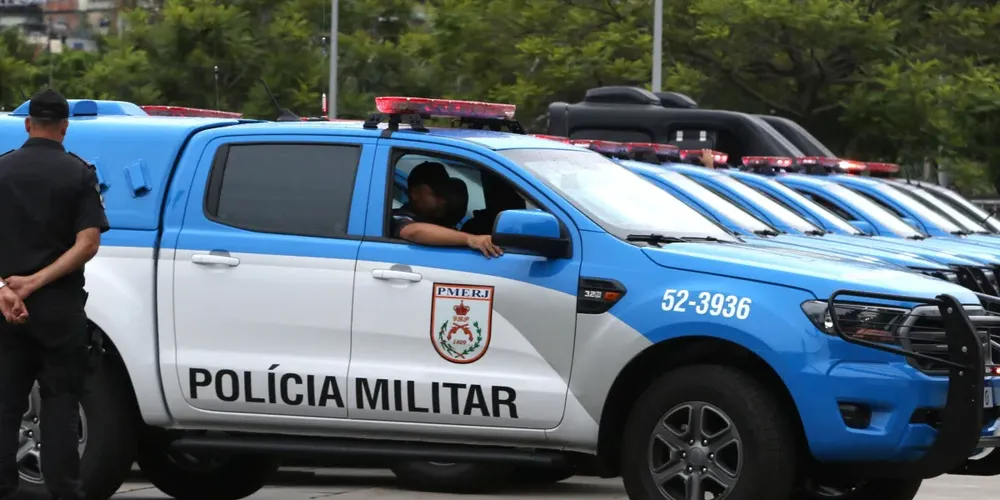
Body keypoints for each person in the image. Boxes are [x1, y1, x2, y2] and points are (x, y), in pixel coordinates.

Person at [0, 89, 110, 500]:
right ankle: (64, 492)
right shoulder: (78, 173)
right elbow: (88, 243)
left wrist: (9, 288)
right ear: (65, 128)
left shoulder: (2, 169)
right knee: (61, 404)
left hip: (5, 306)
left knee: (5, 406)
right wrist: (38, 282)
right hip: (59, 309)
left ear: (28, 124)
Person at [392, 161, 502, 258]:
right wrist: (471, 239)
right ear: (415, 193)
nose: (444, 201)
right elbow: (412, 231)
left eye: (445, 194)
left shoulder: (442, 221)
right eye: (437, 194)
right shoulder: (397, 217)